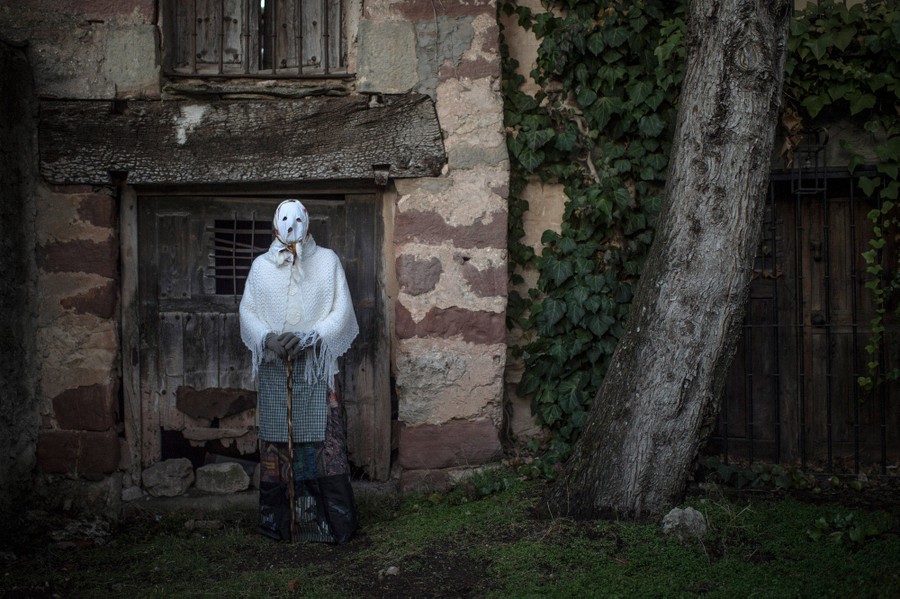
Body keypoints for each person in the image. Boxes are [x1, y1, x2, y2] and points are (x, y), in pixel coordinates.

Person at [239, 199, 359, 543]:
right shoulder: (261, 267)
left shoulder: (327, 261)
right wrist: (267, 338)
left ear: (307, 223)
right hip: (276, 367)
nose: (291, 227)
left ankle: (328, 525)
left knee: (325, 442)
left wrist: (311, 336)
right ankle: (280, 524)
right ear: (274, 226)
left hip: (316, 369)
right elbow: (247, 310)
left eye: (297, 221)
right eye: (285, 221)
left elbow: (341, 309)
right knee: (277, 441)